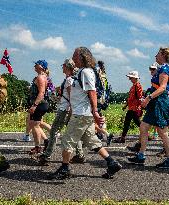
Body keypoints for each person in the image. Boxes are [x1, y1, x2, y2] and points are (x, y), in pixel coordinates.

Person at [48, 47, 122, 180]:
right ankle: (112, 163)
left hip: (81, 114)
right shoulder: (81, 72)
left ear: (82, 57)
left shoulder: (86, 72)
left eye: (75, 56)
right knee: (91, 140)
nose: (73, 58)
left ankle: (64, 169)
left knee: (67, 141)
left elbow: (92, 92)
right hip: (83, 114)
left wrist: (95, 112)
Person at [128, 47, 169, 168]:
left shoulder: (164, 69)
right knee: (144, 127)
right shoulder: (161, 69)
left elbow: (163, 87)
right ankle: (140, 156)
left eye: (158, 54)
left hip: (160, 102)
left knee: (162, 131)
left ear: (163, 56)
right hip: (155, 102)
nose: (155, 56)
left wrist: (148, 98)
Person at [38, 58, 85, 165]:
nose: (62, 67)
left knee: (54, 131)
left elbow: (71, 97)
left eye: (63, 65)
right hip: (69, 109)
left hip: (65, 110)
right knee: (73, 133)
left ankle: (47, 155)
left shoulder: (69, 80)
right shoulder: (72, 79)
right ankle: (80, 155)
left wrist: (70, 109)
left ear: (67, 67)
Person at [113, 71, 143, 143]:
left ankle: (146, 135)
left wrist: (140, 107)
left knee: (137, 123)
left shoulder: (138, 86)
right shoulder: (133, 86)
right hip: (131, 107)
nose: (129, 79)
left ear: (135, 78)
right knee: (130, 122)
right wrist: (126, 105)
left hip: (135, 108)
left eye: (130, 77)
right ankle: (123, 137)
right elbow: (130, 98)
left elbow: (140, 97)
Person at [28, 60, 50, 156]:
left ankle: (38, 147)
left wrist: (34, 105)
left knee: (35, 126)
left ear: (41, 66)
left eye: (36, 64)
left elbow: (41, 93)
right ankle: (46, 141)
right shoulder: (43, 76)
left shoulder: (40, 77)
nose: (34, 65)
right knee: (36, 124)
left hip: (40, 104)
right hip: (41, 104)